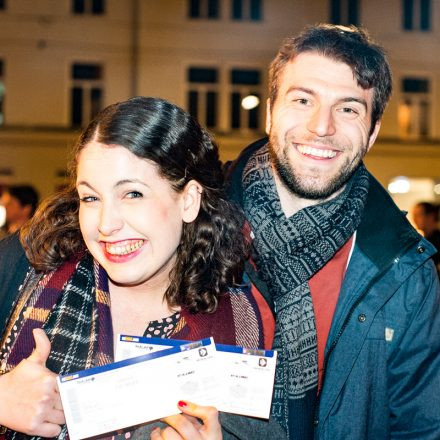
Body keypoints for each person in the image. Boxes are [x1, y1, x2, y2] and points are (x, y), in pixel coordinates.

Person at [161, 23, 440, 440]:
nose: (321, 126)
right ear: (272, 110)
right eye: (303, 99)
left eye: (348, 108)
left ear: (374, 131)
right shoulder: (187, 218)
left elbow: (421, 429)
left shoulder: (405, 273)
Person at [0, 97, 275, 439]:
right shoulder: (26, 266)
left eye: (132, 194)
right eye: (91, 198)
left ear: (188, 200)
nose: (106, 224)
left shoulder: (244, 322)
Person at [412, 201, 440, 272]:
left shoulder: (436, 240)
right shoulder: (426, 240)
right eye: (414, 215)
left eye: (418, 215)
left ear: (431, 216)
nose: (414, 219)